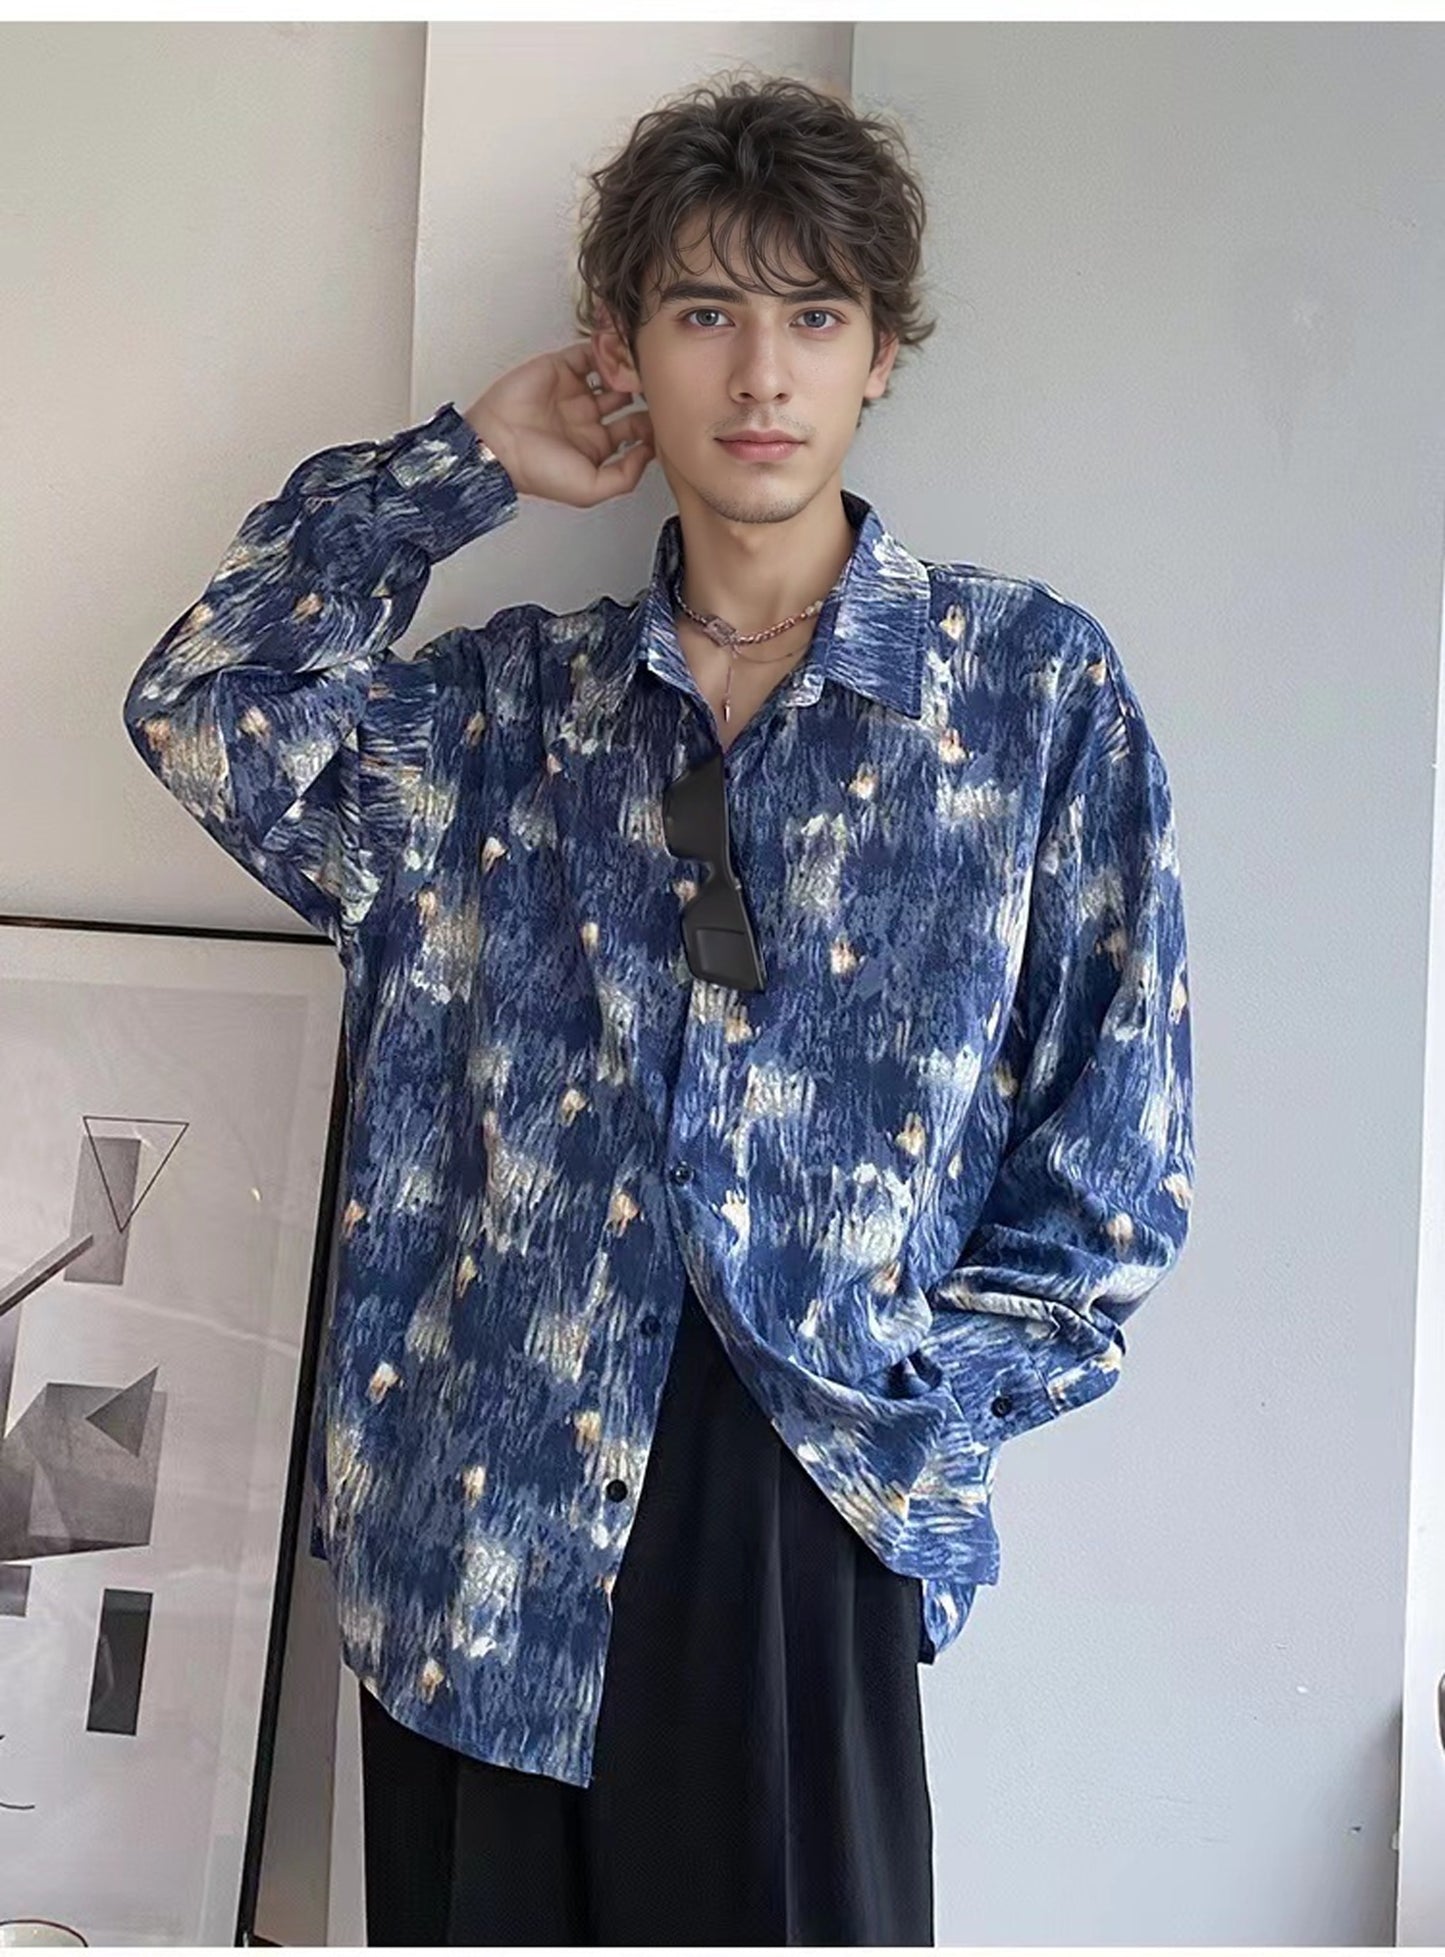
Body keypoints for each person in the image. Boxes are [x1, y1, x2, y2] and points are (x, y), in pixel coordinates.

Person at [122, 69, 1194, 1948]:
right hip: (480, 1518)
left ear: (879, 354)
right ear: (620, 349)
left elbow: (1111, 1166)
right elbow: (210, 708)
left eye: (814, 316)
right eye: (705, 313)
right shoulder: (489, 721)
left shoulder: (1025, 696)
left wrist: (905, 1437)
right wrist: (461, 465)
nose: (761, 374)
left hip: (805, 1506)